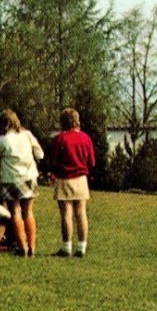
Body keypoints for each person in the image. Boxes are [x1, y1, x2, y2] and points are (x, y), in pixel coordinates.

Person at [46, 107, 96, 258]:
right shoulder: (85, 138)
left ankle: (66, 247)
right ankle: (82, 247)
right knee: (81, 213)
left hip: (64, 179)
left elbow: (53, 161)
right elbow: (92, 162)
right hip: (81, 178)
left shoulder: (60, 139)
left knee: (66, 214)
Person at [0, 109, 45, 257]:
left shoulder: (1, 141)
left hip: (11, 179)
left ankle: (22, 245)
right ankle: (32, 247)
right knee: (28, 211)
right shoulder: (27, 135)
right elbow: (40, 154)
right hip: (29, 176)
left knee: (15, 211)